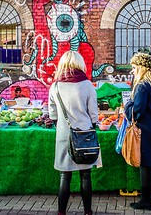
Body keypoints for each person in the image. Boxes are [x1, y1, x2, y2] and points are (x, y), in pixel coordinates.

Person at [46, 50, 101, 215]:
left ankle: (61, 212)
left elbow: (53, 114)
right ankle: (87, 211)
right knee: (85, 175)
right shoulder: (87, 85)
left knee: (65, 175)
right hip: (84, 135)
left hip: (64, 135)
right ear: (80, 63)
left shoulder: (55, 86)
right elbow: (94, 115)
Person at [124, 52, 151, 210]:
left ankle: (145, 201)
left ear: (141, 67)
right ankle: (150, 196)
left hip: (145, 131)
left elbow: (137, 111)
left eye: (134, 67)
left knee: (145, 166)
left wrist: (127, 105)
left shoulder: (142, 85)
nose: (132, 71)